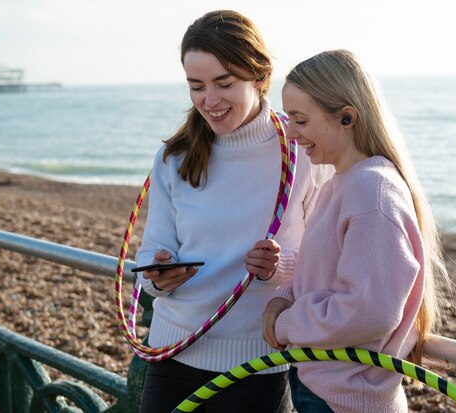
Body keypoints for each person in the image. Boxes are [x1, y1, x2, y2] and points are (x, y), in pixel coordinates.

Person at [135, 10, 330, 413]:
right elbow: (150, 250)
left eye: (224, 83)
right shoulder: (175, 157)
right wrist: (157, 276)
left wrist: (282, 268)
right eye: (196, 86)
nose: (210, 100)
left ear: (258, 76)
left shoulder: (303, 152)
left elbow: (329, 262)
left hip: (260, 363)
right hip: (173, 352)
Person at [262, 49, 452, 413]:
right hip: (324, 385)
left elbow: (368, 310)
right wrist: (283, 294)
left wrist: (286, 324)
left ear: (347, 118)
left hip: (347, 400)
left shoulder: (371, 191)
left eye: (300, 120)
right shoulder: (341, 183)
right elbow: (324, 268)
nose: (289, 132)